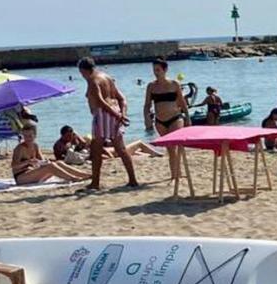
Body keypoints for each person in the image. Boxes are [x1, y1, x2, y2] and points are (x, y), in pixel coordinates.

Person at [78, 57, 137, 190]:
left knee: (96, 149)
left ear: (83, 70)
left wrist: (118, 116)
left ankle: (95, 182)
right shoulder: (107, 77)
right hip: (114, 112)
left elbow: (100, 102)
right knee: (121, 149)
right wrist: (122, 114)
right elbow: (122, 98)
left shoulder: (92, 80)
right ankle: (132, 179)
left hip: (103, 115)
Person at [143, 58, 188, 181]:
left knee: (176, 144)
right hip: (160, 121)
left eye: (158, 70)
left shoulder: (174, 84)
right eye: (154, 70)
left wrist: (188, 118)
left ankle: (179, 172)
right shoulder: (151, 86)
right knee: (169, 148)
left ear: (165, 70)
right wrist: (146, 118)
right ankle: (175, 174)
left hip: (175, 118)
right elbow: (147, 104)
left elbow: (182, 102)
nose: (156, 72)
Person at [11, 124, 91, 184]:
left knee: (58, 162)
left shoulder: (35, 145)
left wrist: (44, 161)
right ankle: (73, 178)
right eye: (25, 136)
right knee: (50, 166)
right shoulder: (19, 148)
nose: (27, 138)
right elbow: (14, 166)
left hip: (34, 173)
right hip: (22, 177)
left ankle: (85, 174)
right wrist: (28, 162)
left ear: (35, 135)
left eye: (30, 136)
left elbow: (41, 160)